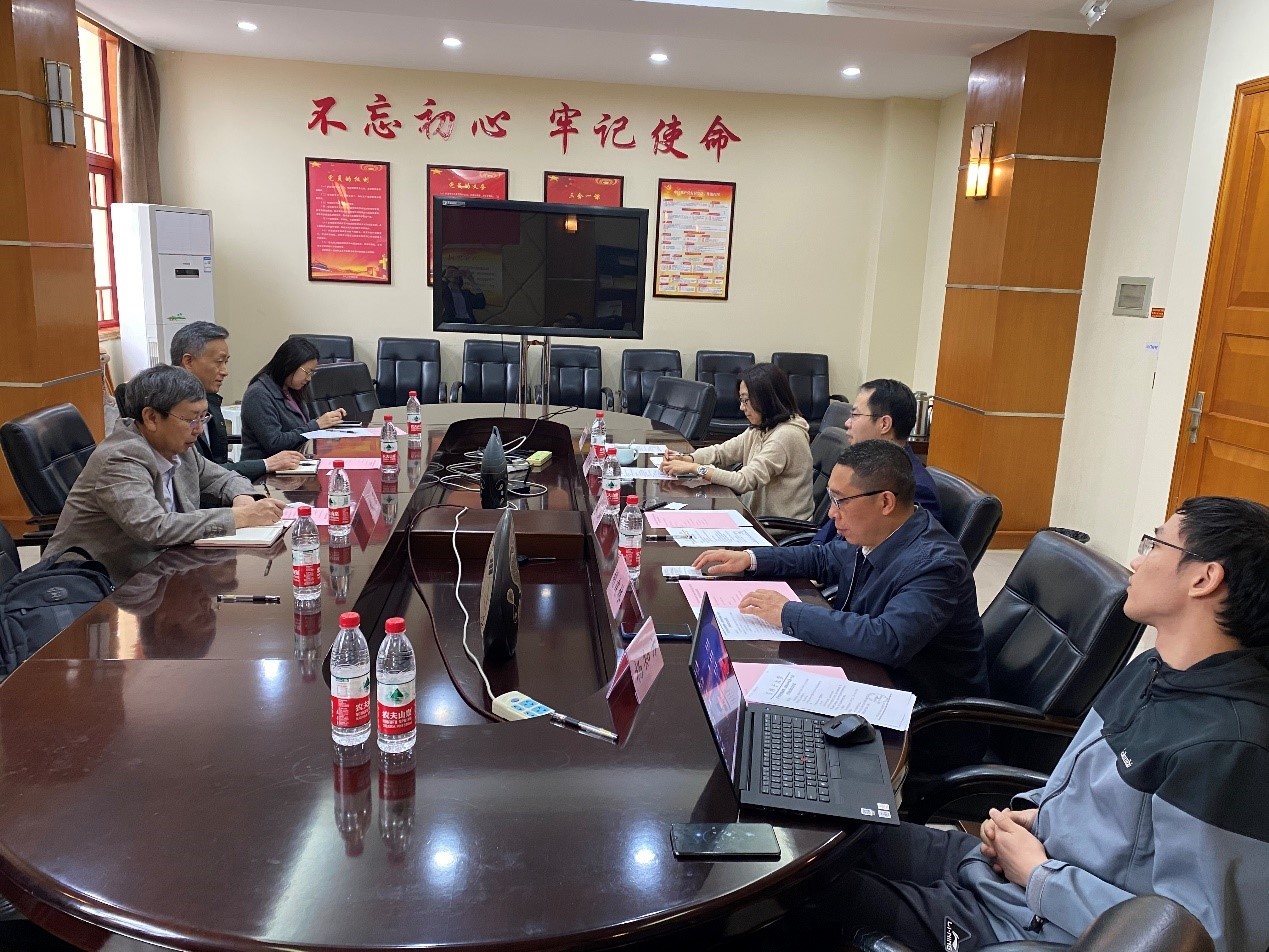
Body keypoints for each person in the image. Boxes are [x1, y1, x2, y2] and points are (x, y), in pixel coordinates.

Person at [806, 496, 1269, 952]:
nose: (1137, 559)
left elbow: (1195, 938)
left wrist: (1038, 874)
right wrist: (1033, 814)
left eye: (1155, 545)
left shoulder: (1229, 747)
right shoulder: (1153, 668)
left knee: (804, 897)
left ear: (1204, 578)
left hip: (1035, 923)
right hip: (1009, 870)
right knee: (826, 836)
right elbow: (1093, 794)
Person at [691, 439, 988, 724]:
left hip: (923, 716)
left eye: (840, 501)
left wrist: (787, 612)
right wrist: (750, 558)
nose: (832, 513)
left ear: (885, 502)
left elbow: (887, 639)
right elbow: (822, 557)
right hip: (865, 678)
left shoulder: (936, 564)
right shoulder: (880, 531)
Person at [45, 365, 285, 583]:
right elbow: (153, 528)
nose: (199, 429)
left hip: (156, 574)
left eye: (203, 417)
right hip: (87, 586)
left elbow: (225, 477)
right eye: (191, 419)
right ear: (151, 418)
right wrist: (238, 517)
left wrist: (243, 498)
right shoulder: (121, 458)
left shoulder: (179, 448)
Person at [660, 363, 814, 523]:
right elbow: (721, 452)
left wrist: (695, 468)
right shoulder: (762, 427)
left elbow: (743, 481)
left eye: (746, 400)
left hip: (779, 528)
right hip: (755, 518)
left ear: (767, 399)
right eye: (741, 400)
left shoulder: (786, 436)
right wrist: (688, 458)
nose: (742, 407)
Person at [810, 378, 942, 545]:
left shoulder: (914, 489)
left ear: (884, 424)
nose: (847, 423)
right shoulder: (864, 467)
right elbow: (828, 534)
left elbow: (875, 554)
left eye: (855, 415)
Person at [169, 321, 305, 479]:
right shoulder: (171, 412)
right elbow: (201, 475)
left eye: (225, 362)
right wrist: (266, 464)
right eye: (219, 362)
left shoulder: (210, 401)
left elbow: (218, 465)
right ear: (188, 361)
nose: (225, 371)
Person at [240, 337, 345, 460]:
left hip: (296, 461)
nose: (309, 378)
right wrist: (316, 425)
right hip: (267, 468)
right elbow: (275, 443)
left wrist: (327, 421)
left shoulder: (291, 389)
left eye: (312, 373)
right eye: (307, 372)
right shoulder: (258, 395)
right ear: (289, 365)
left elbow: (300, 428)